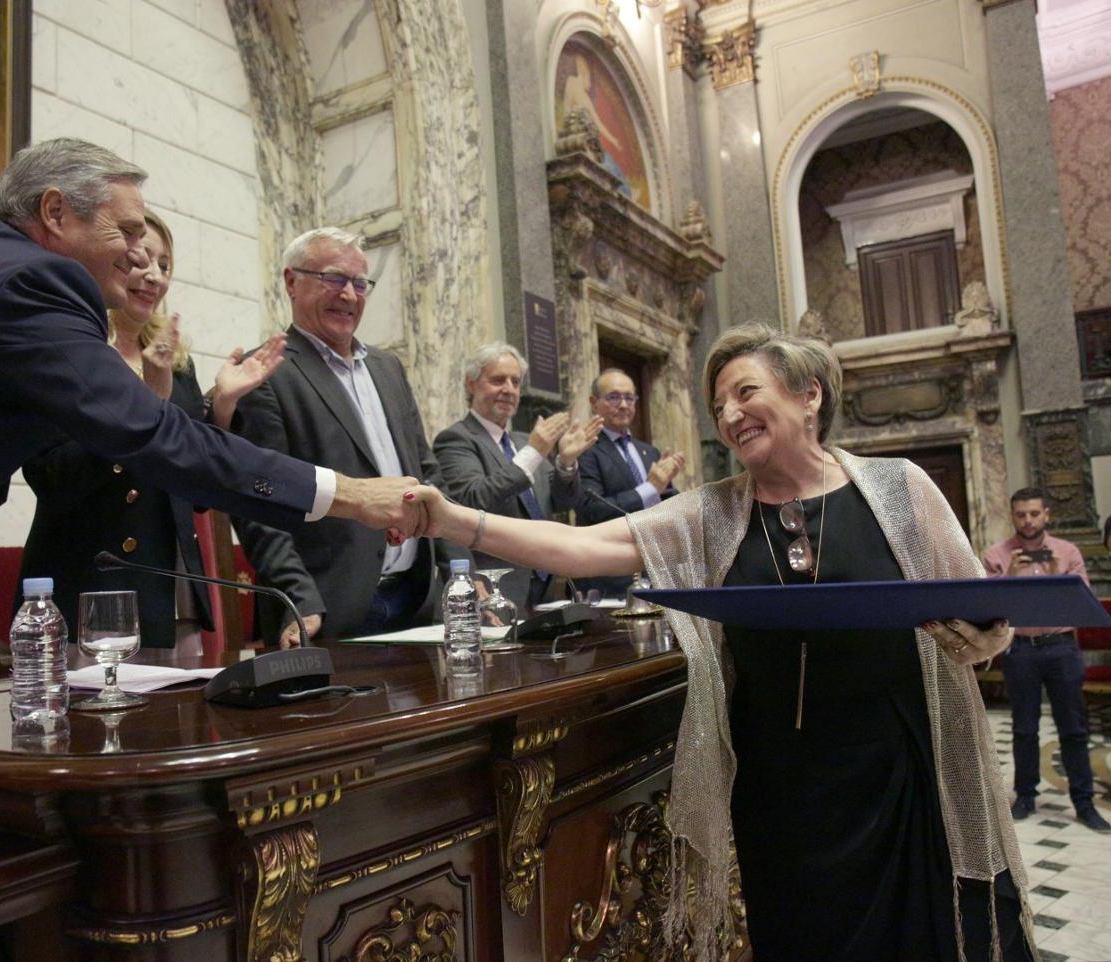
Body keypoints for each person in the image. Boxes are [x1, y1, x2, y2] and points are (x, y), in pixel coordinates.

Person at [409, 322, 1033, 962]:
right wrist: (451, 519)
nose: (730, 416)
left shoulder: (899, 487)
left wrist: (982, 634)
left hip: (896, 772)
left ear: (809, 395)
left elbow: (980, 615)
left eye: (745, 392)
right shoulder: (714, 512)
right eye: (718, 408)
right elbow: (585, 546)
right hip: (777, 786)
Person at [0, 138, 420, 703]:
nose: (138, 255)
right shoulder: (34, 280)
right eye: (127, 232)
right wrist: (346, 493)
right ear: (55, 212)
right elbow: (152, 435)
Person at [16, 210, 285, 651]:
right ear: (110, 264)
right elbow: (52, 478)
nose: (154, 276)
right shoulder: (68, 349)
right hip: (90, 592)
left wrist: (221, 405)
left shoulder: (175, 361)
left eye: (165, 266)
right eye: (141, 260)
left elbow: (199, 490)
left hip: (171, 589)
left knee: (179, 718)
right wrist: (148, 408)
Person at [233, 227, 464, 647]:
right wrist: (298, 597)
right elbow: (259, 502)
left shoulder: (388, 368)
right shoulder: (265, 373)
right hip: (326, 611)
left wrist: (459, 568)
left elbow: (426, 470)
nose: (350, 295)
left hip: (417, 600)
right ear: (291, 282)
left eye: (360, 284)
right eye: (334, 279)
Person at [432, 343, 601, 609]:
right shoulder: (456, 439)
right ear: (472, 384)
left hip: (547, 586)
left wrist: (566, 462)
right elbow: (472, 498)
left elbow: (562, 502)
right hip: (494, 590)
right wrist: (535, 452)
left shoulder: (524, 442)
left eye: (515, 382)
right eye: (498, 380)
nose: (509, 389)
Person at [982, 488, 1110, 832]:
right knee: (1024, 728)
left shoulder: (1069, 553)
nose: (1028, 520)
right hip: (1021, 649)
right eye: (1021, 514)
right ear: (1012, 516)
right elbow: (989, 610)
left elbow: (1081, 603)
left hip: (1062, 648)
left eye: (1034, 514)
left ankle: (1083, 803)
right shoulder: (996, 555)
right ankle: (1025, 797)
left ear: (1047, 515)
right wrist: (1009, 575)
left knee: (1074, 728)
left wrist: (1057, 575)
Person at [575, 368, 684, 597]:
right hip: (609, 579)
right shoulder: (586, 451)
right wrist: (649, 488)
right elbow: (593, 510)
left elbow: (664, 503)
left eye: (629, 397)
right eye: (614, 397)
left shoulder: (649, 452)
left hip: (655, 574)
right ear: (594, 403)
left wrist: (679, 499)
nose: (624, 405)